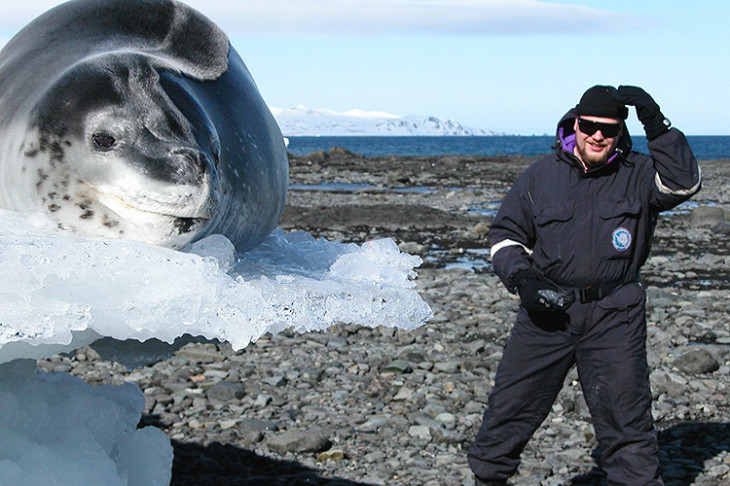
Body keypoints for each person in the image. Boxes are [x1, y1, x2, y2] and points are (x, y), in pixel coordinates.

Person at [467, 85, 701, 486]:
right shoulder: (540, 176)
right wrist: (522, 280)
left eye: (608, 130)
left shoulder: (640, 174)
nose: (598, 136)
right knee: (509, 409)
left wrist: (655, 121)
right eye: (590, 126)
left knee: (626, 416)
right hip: (546, 313)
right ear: (575, 123)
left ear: (620, 132)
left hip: (616, 314)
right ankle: (488, 479)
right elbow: (505, 235)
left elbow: (683, 183)